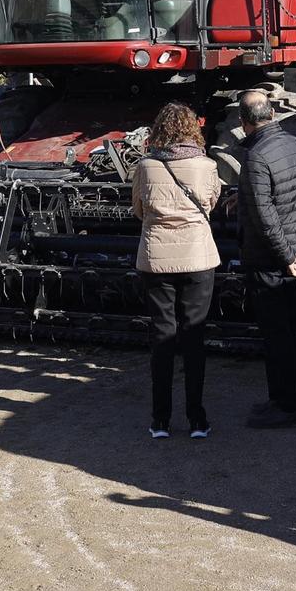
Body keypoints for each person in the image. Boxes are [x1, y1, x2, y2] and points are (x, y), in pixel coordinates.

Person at [132, 102, 222, 439]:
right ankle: (197, 420)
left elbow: (138, 209)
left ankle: (160, 421)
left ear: (160, 131)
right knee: (193, 336)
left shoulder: (146, 167)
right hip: (198, 258)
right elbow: (211, 204)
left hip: (156, 260)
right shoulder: (207, 166)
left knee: (162, 337)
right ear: (193, 130)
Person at [237, 88, 296, 429]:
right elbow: (293, 196)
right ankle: (284, 397)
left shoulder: (256, 157)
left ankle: (286, 406)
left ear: (245, 123)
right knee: (290, 332)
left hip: (272, 260)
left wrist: (285, 258)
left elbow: (266, 217)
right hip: (295, 249)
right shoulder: (293, 143)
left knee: (276, 336)